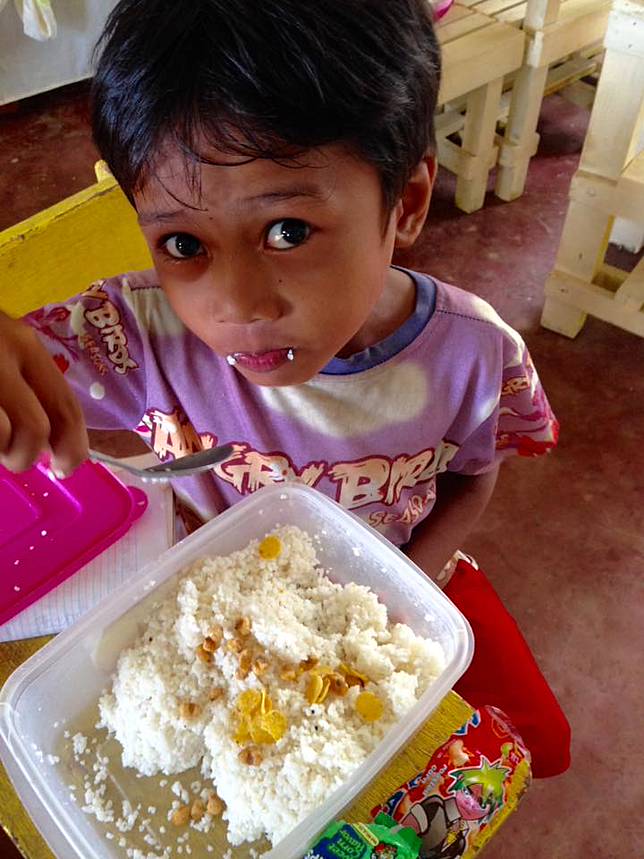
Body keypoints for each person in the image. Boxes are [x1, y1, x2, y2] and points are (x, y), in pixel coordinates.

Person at [0, 0, 570, 777]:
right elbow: (21, 375)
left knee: (528, 746)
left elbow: (475, 473)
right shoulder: (138, 338)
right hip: (220, 627)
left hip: (396, 591)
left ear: (403, 204)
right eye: (182, 244)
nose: (238, 305)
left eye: (287, 231)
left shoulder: (474, 355)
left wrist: (404, 595)